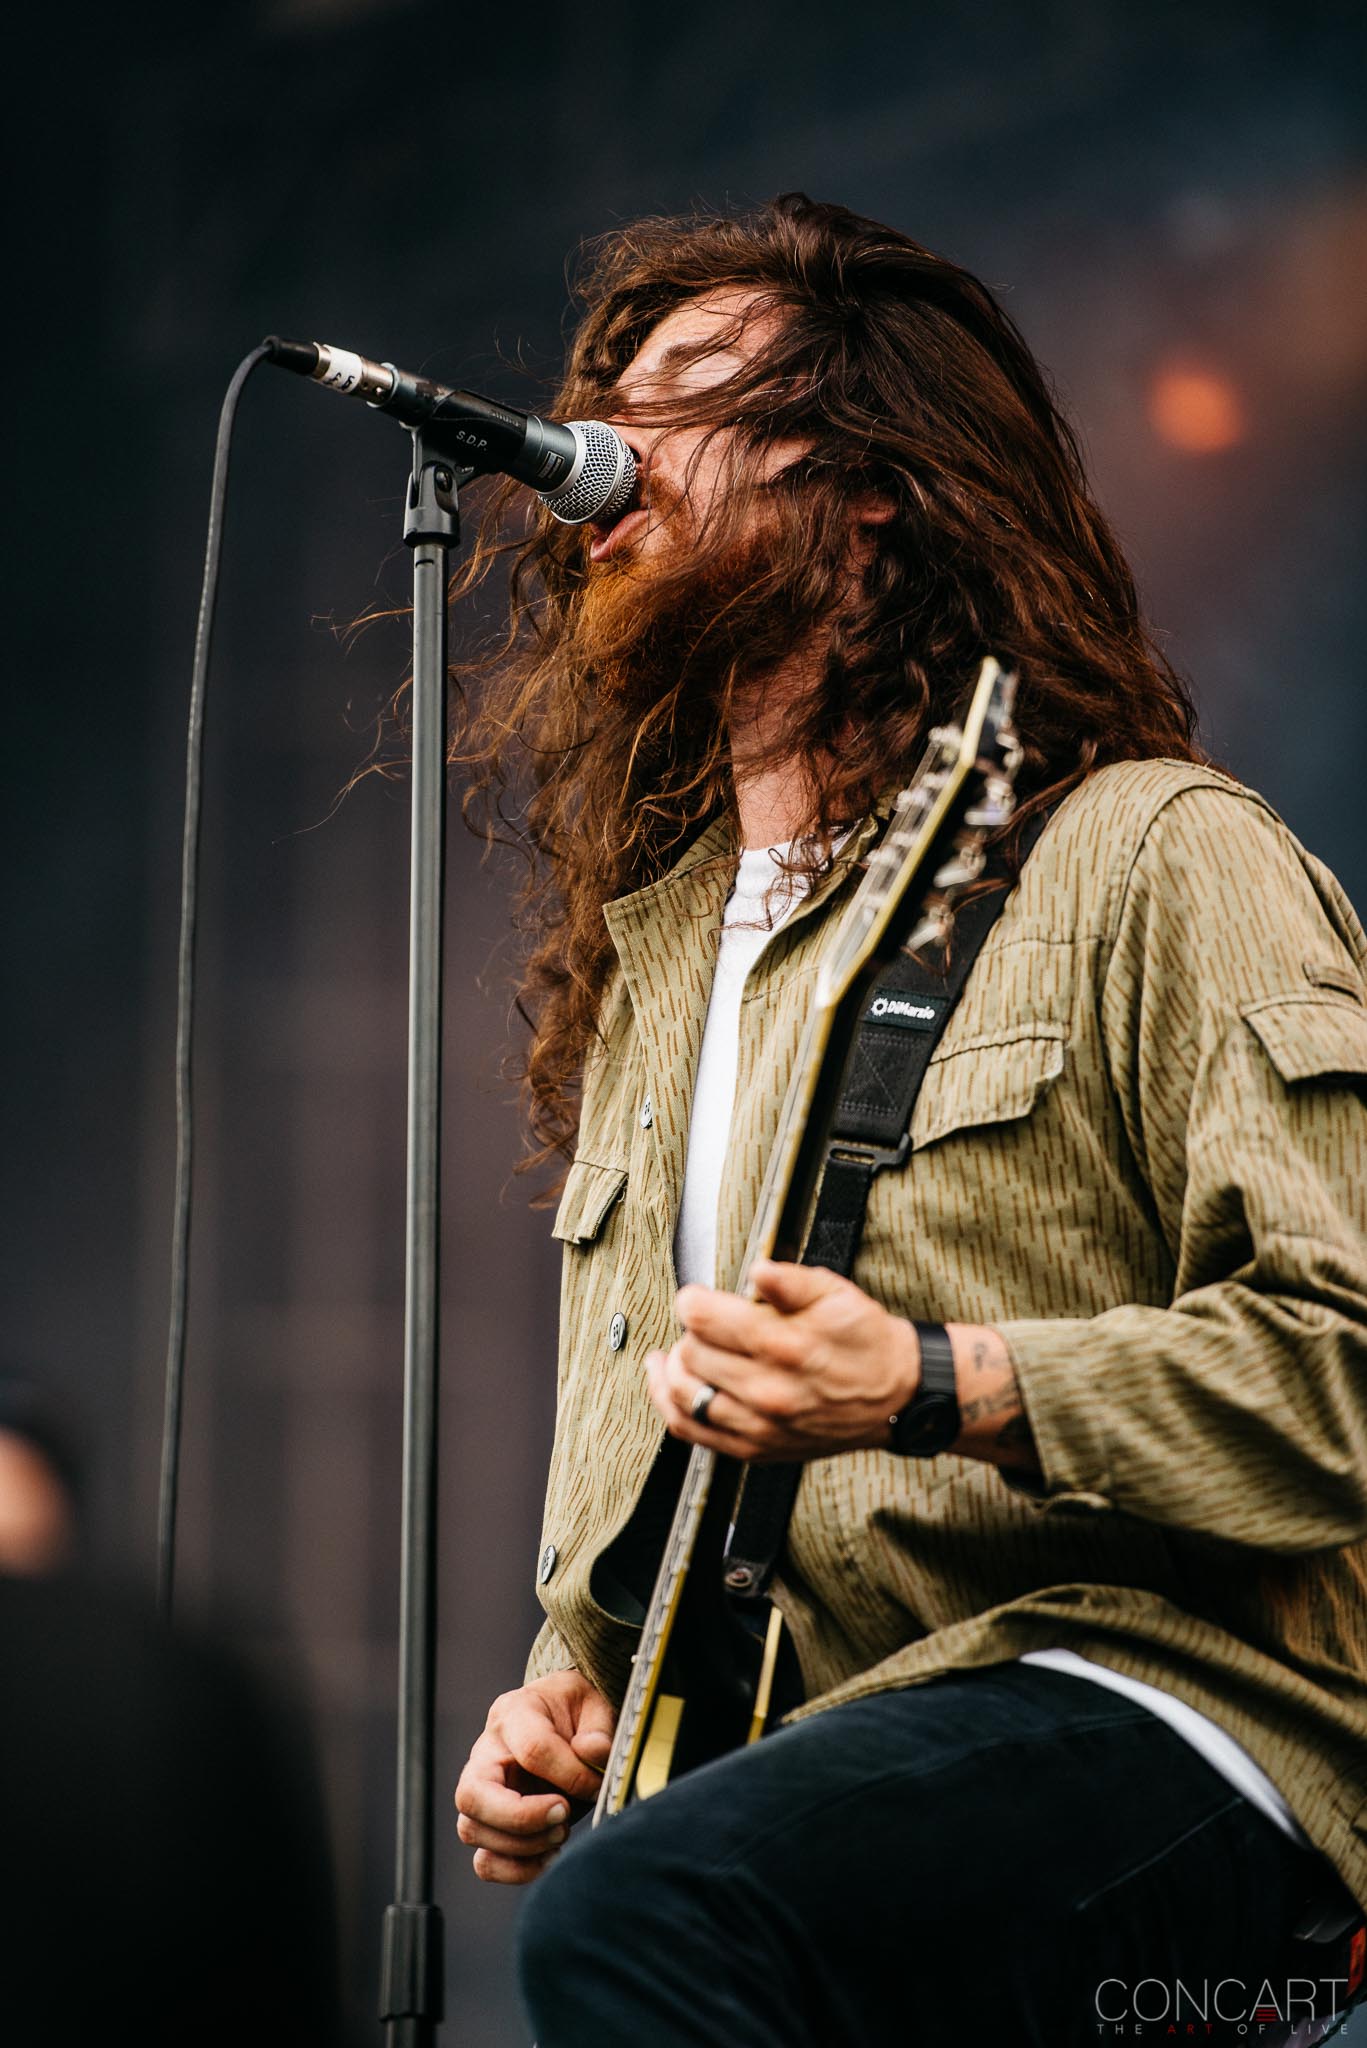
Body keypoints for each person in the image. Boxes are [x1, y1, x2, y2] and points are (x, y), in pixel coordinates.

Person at [451, 194, 1367, 2045]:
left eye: (688, 394)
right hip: (831, 1766)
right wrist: (574, 1692)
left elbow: (1345, 1367)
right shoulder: (668, 969)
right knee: (636, 1908)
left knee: (651, 1921)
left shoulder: (1156, 854)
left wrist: (945, 1379)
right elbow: (685, 1478)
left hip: (1170, 1716)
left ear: (871, 478)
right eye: (602, 389)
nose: (605, 440)